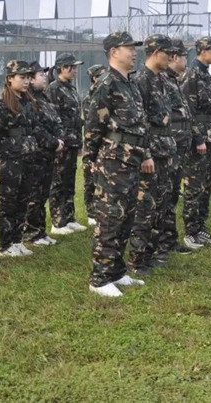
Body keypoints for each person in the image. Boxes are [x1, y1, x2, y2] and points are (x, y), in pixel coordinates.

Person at [85, 31, 148, 297]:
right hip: (113, 160)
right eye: (128, 48)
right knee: (110, 218)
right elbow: (93, 125)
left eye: (134, 48)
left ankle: (116, 271)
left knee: (126, 216)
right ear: (113, 52)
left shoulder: (129, 83)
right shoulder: (106, 83)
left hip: (131, 157)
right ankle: (99, 278)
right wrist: (91, 160)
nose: (134, 52)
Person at [129, 34, 178, 275]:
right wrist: (145, 153)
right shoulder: (141, 80)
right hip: (150, 154)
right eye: (168, 53)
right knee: (145, 207)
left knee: (160, 204)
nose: (171, 57)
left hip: (164, 150)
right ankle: (137, 260)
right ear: (156, 52)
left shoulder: (161, 80)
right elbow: (139, 123)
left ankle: (151, 253)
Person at [181, 36, 211, 249]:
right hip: (198, 140)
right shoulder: (192, 75)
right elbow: (189, 111)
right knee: (194, 186)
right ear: (204, 51)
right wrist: (198, 138)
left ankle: (200, 228)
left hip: (209, 137)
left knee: (206, 186)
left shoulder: (206, 75)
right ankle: (190, 231)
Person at [0, 61, 38, 258]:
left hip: (27, 158)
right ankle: (5, 244)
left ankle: (17, 240)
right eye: (22, 77)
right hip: (10, 160)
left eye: (28, 77)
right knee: (7, 202)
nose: (26, 81)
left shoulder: (28, 102)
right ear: (10, 79)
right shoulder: (1, 104)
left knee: (23, 200)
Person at [157, 39, 193, 259]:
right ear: (175, 57)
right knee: (165, 195)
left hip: (177, 147)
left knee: (172, 196)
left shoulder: (174, 81)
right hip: (167, 147)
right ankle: (161, 243)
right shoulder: (163, 81)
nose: (185, 61)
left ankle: (169, 240)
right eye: (184, 56)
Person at [23, 61, 65, 247]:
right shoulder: (28, 99)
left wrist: (58, 139)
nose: (45, 77)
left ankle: (40, 230)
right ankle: (32, 232)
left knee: (42, 194)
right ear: (31, 79)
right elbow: (36, 127)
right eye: (41, 74)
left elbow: (55, 121)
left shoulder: (43, 98)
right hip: (37, 153)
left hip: (48, 153)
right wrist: (53, 142)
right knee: (34, 194)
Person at [46, 53, 86, 235]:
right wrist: (60, 140)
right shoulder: (54, 89)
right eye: (73, 67)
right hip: (62, 143)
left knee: (69, 182)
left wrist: (79, 141)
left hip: (73, 141)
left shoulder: (70, 88)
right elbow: (53, 118)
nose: (75, 70)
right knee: (58, 182)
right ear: (63, 68)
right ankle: (57, 222)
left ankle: (69, 218)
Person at [82, 65, 107, 227]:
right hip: (91, 145)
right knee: (90, 180)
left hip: (104, 144)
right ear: (94, 78)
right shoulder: (89, 99)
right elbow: (92, 123)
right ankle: (91, 211)